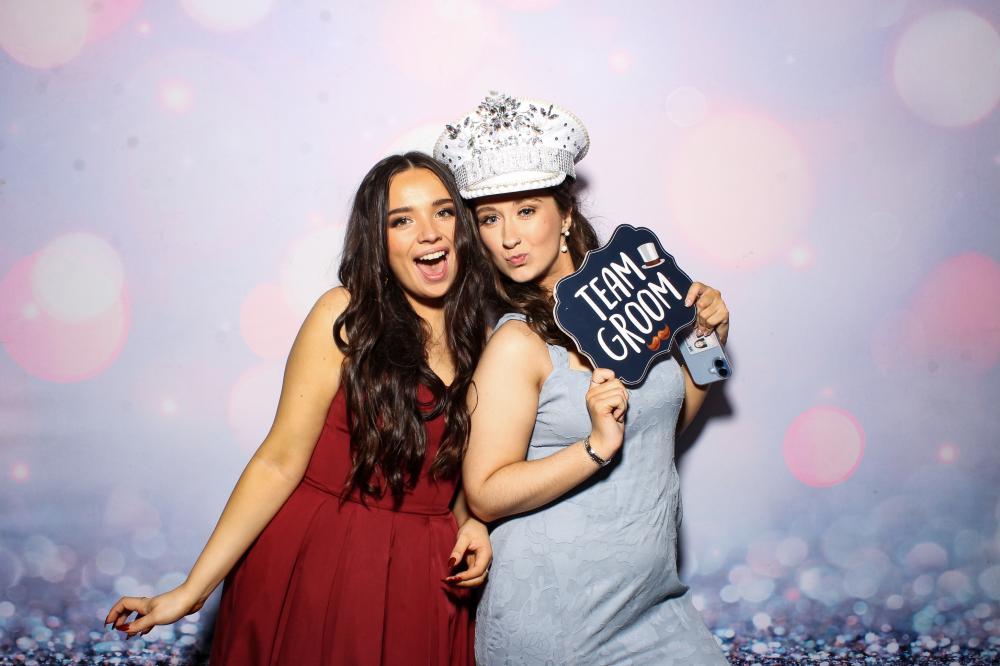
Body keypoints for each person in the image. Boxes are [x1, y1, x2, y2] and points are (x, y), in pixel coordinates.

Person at [105, 152, 495, 665]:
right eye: (401, 220)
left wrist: (475, 523)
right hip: (322, 557)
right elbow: (279, 460)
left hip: (425, 574)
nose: (429, 233)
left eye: (442, 212)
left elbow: (459, 476)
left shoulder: (485, 337)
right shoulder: (346, 316)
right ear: (377, 241)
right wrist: (193, 590)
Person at [434, 93, 731, 664]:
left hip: (655, 603)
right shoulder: (517, 344)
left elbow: (662, 428)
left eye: (526, 211)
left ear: (566, 214)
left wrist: (707, 337)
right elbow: (485, 493)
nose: (508, 237)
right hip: (556, 619)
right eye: (490, 219)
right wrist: (595, 447)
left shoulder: (637, 299)